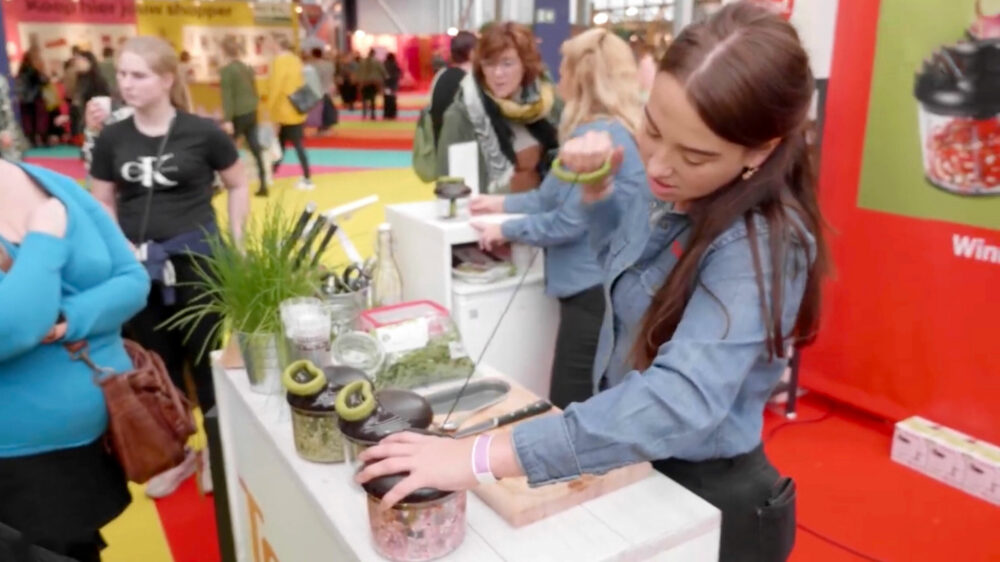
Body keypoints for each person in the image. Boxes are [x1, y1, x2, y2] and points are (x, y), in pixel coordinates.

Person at [357, 4, 829, 562]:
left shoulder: (761, 245)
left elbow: (677, 402)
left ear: (761, 150)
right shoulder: (675, 188)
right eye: (653, 129)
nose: (659, 165)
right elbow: (615, 261)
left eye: (695, 155)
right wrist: (599, 194)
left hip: (709, 499)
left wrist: (478, 457)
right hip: (639, 466)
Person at [87, 36, 250, 499]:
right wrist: (120, 248)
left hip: (197, 261)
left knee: (206, 358)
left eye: (138, 75)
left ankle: (217, 449)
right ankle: (177, 454)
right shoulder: (113, 138)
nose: (126, 83)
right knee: (156, 363)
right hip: (139, 269)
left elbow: (238, 183)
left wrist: (237, 241)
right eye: (122, 74)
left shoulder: (203, 132)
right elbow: (102, 198)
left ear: (165, 79)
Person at [469, 29, 646, 409]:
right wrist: (499, 203)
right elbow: (550, 197)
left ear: (580, 78)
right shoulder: (613, 131)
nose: (558, 77)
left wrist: (504, 228)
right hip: (599, 285)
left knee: (570, 401)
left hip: (592, 290)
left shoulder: (593, 138)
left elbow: (567, 222)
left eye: (564, 69)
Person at [0, 158, 150, 562]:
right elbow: (11, 328)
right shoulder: (52, 211)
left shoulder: (51, 184)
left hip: (96, 443)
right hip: (17, 466)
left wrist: (71, 317)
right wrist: (44, 238)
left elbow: (132, 280)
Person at [437, 22, 560, 194]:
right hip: (489, 209)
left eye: (507, 63)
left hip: (545, 207)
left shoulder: (546, 102)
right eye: (489, 64)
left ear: (525, 64)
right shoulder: (463, 115)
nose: (498, 73)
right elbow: (452, 186)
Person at [220, 36, 268, 197]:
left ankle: (225, 183)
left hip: (238, 113)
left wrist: (227, 119)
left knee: (226, 148)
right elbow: (254, 91)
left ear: (224, 52)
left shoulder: (227, 71)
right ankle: (263, 184)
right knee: (255, 148)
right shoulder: (247, 68)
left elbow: (227, 97)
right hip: (251, 111)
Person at [266, 38, 314, 190]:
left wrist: (268, 108)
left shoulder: (278, 62)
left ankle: (305, 178)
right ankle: (274, 173)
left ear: (277, 45)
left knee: (287, 144)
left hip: (283, 109)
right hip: (297, 108)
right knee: (290, 143)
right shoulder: (296, 60)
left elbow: (276, 86)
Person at [430, 31, 477, 146]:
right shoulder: (471, 79)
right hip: (464, 147)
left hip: (440, 144)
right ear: (472, 53)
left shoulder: (440, 75)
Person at [16, 47, 49, 147]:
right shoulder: (33, 70)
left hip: (24, 99)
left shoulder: (21, 70)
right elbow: (44, 81)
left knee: (28, 121)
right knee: (40, 119)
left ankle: (32, 140)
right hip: (34, 98)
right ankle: (42, 139)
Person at [71, 51, 110, 138]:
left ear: (89, 62)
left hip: (94, 124)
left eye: (79, 60)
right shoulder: (80, 80)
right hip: (84, 123)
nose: (76, 63)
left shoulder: (96, 80)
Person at [310, 47, 338, 133]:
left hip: (318, 89)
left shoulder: (313, 66)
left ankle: (323, 126)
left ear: (313, 55)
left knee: (320, 109)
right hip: (329, 88)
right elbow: (333, 75)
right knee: (328, 108)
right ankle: (326, 126)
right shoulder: (329, 65)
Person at [356, 50, 387, 120]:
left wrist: (358, 80)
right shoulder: (377, 62)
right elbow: (382, 70)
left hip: (364, 82)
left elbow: (358, 71)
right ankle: (373, 114)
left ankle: (364, 114)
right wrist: (385, 77)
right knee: (372, 98)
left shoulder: (362, 62)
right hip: (373, 82)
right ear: (374, 54)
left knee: (364, 98)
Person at [382, 53, 402, 120]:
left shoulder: (384, 64)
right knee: (392, 99)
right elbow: (399, 73)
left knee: (386, 99)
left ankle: (386, 114)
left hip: (386, 84)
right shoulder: (395, 64)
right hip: (393, 85)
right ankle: (392, 114)